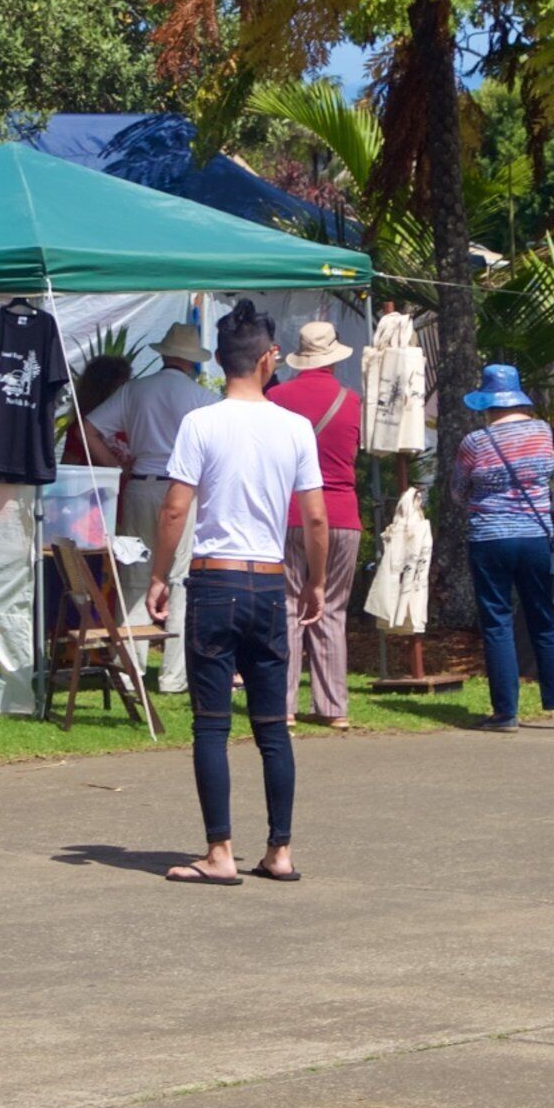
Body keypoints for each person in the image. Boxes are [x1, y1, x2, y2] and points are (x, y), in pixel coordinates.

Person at [146, 306, 324, 885]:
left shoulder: (201, 422)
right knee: (272, 727)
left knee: (211, 725)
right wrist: (316, 581)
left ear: (220, 361)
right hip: (268, 581)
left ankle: (219, 851)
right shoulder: (294, 427)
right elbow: (315, 519)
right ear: (269, 358)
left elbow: (175, 508)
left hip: (214, 578)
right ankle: (280, 850)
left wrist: (158, 574)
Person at [451, 362, 554, 731]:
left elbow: (458, 492)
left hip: (490, 539)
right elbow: (546, 473)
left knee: (497, 623)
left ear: (488, 403)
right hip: (536, 536)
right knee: (543, 619)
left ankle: (506, 713)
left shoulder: (474, 442)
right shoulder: (542, 431)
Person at [100, 325, 217, 693]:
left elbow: (89, 429)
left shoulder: (135, 390)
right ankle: (173, 675)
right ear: (192, 360)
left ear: (164, 353)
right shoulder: (202, 398)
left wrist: (117, 467)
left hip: (141, 485)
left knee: (135, 574)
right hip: (183, 489)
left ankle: (128, 669)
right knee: (180, 578)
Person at [265, 320, 365, 729]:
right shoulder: (351, 401)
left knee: (287, 606)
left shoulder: (276, 398)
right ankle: (333, 706)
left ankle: (283, 704)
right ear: (334, 359)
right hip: (341, 512)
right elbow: (354, 453)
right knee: (333, 608)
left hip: (290, 512)